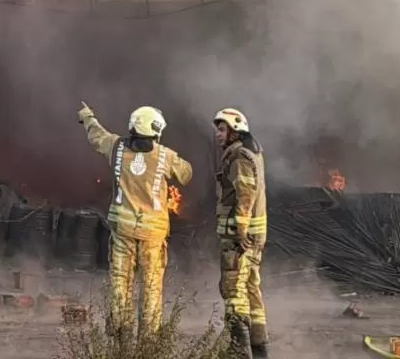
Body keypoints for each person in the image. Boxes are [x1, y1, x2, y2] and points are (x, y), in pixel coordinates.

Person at [79, 102, 193, 338]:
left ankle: (121, 335)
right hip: (153, 235)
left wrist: (87, 117)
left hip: (123, 231)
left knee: (121, 282)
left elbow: (97, 136)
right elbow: (186, 174)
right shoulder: (165, 155)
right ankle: (148, 340)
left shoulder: (117, 147)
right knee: (151, 286)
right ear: (155, 130)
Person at [214, 108, 268, 359]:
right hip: (255, 236)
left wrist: (240, 230)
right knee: (251, 288)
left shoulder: (240, 157)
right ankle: (259, 348)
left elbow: (245, 195)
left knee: (234, 290)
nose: (218, 134)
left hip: (240, 239)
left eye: (222, 129)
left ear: (236, 131)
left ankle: (238, 352)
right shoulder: (253, 152)